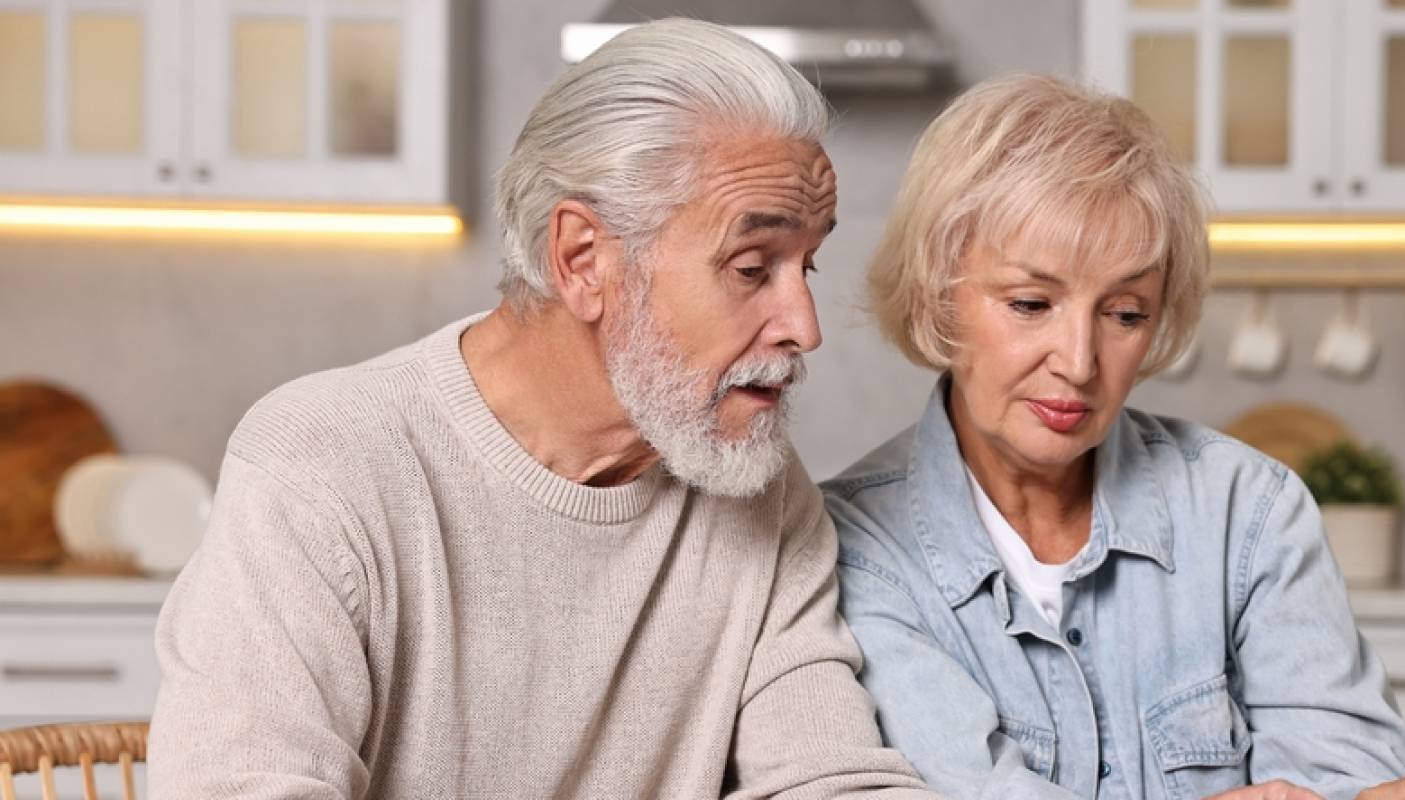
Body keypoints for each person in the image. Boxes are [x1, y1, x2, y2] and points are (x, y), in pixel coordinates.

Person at [150, 19, 934, 799]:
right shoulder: (322, 463)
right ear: (583, 261)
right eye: (752, 266)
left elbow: (826, 779)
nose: (805, 325)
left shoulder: (762, 490)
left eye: (808, 264)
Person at [823, 74, 1405, 800]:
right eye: (1032, 303)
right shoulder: (852, 552)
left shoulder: (1246, 511)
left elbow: (1346, 773)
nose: (1080, 362)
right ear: (939, 296)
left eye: (1125, 314)